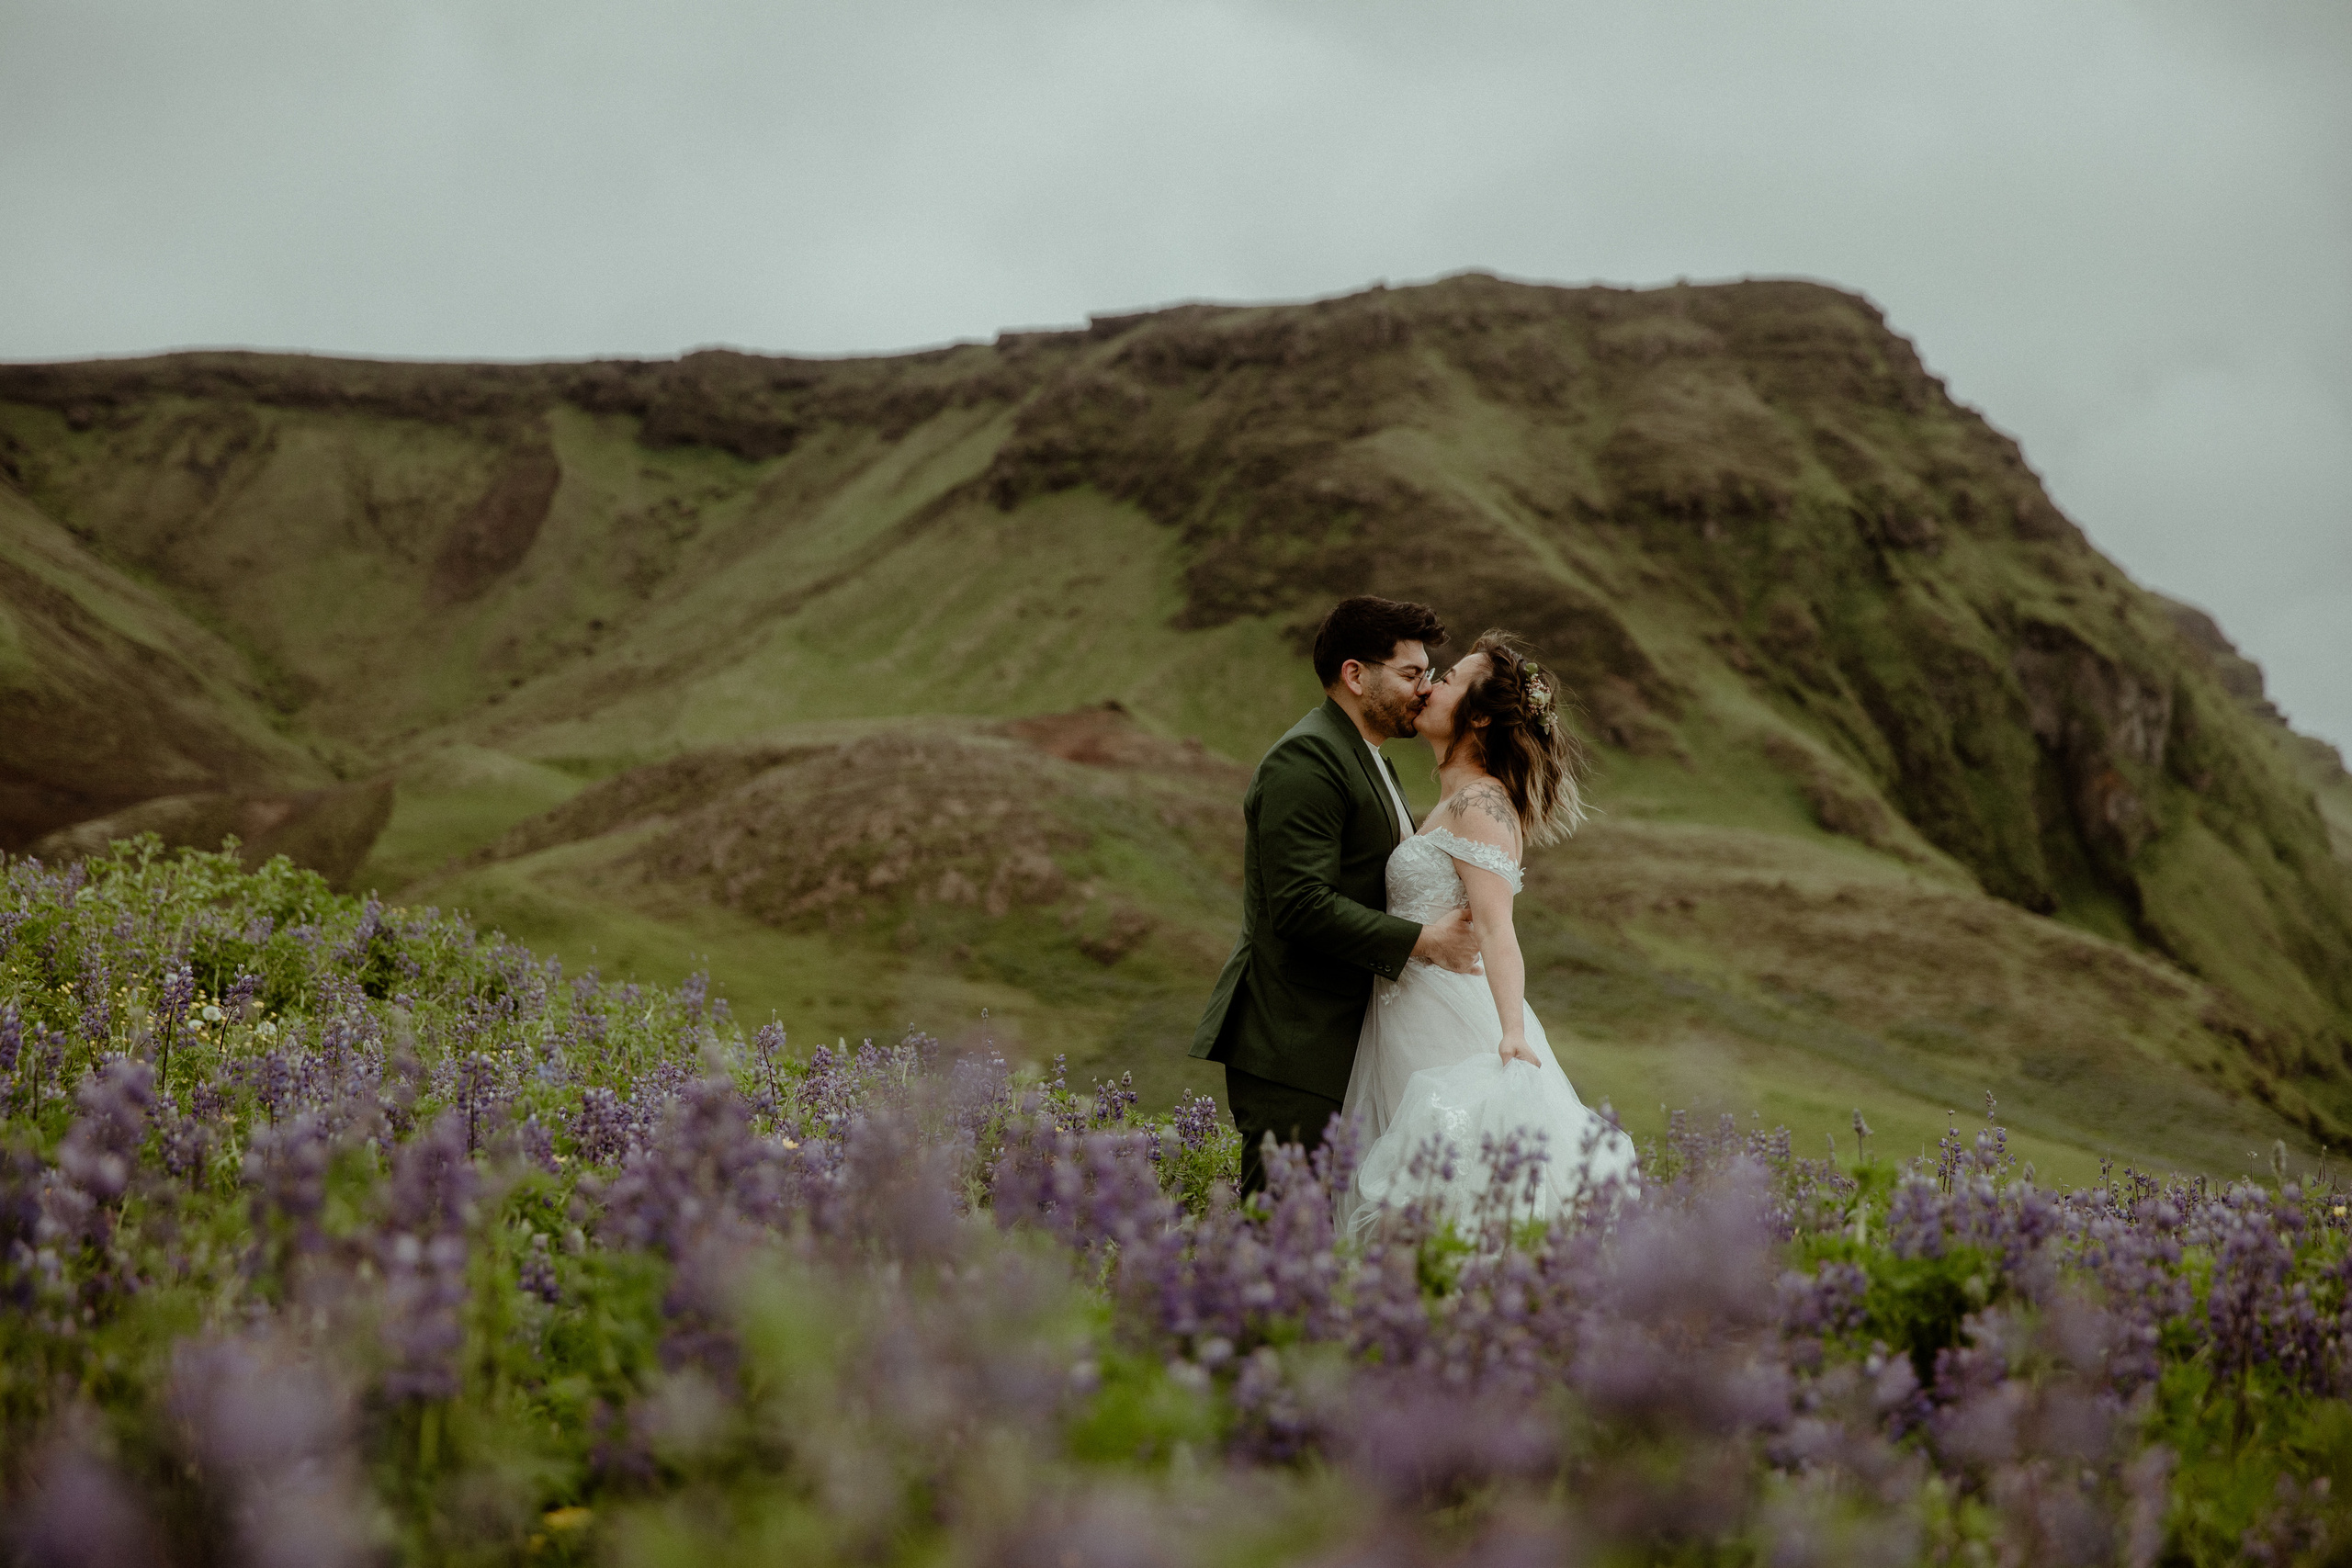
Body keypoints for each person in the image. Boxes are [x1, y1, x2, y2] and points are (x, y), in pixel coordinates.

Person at [1339, 629, 1638, 1234]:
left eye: (1446, 678)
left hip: (1449, 1021)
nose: (1430, 683)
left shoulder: (1482, 803)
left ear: (1476, 715)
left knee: (1453, 1198)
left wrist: (1511, 1033)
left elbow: (1499, 930)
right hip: (1403, 1012)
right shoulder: (1451, 798)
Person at [1190, 595, 1483, 1200]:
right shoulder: (1308, 758)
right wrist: (1424, 942)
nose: (1423, 690)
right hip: (1294, 1040)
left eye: (1428, 675)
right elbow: (1300, 904)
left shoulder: (1369, 758)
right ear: (1355, 674)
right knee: (1279, 1234)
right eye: (1409, 674)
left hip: (1342, 1040)